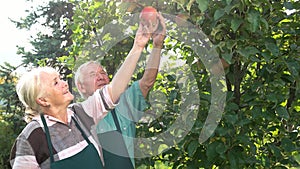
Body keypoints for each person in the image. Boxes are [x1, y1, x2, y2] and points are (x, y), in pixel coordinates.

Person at [9, 21, 151, 169]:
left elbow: (114, 89)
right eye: (55, 83)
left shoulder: (80, 114)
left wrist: (138, 46)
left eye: (60, 79)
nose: (64, 83)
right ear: (43, 100)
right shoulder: (30, 138)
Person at [74, 13, 166, 168]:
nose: (101, 77)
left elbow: (147, 82)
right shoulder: (74, 118)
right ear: (81, 87)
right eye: (93, 75)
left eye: (103, 73)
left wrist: (157, 45)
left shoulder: (124, 105)